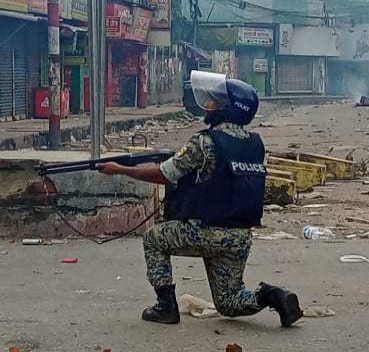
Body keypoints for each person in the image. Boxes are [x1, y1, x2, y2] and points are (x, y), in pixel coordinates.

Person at [98, 71, 302, 326]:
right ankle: (272, 296)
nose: (208, 105)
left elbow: (165, 174)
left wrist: (120, 169)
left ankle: (165, 306)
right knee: (229, 302)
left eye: (214, 102)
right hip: (240, 236)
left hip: (206, 231)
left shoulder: (206, 142)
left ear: (227, 109)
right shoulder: (255, 143)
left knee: (153, 239)